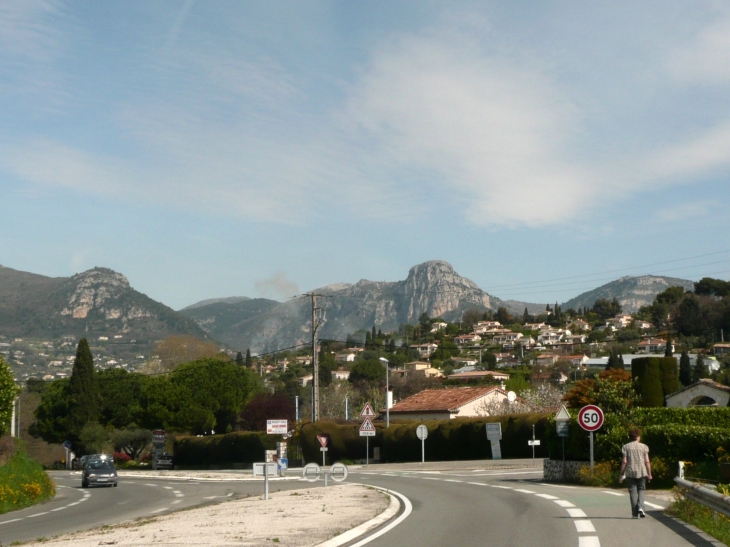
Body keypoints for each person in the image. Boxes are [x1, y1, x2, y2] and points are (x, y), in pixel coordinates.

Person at [619, 427, 652, 519]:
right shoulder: (644, 447)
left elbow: (624, 461)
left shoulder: (625, 447)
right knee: (641, 489)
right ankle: (641, 507)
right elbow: (647, 462)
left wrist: (621, 473)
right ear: (638, 437)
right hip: (642, 471)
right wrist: (649, 474)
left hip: (630, 472)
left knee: (632, 491)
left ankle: (634, 514)